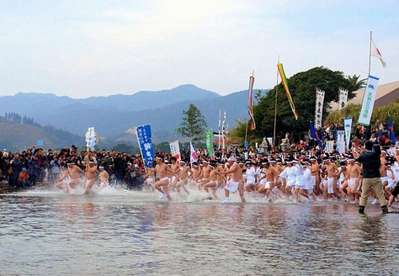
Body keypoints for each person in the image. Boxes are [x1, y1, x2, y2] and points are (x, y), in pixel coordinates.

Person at [357, 141, 388, 214]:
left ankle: (361, 209)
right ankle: (384, 209)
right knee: (380, 194)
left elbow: (358, 160)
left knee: (364, 194)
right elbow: (378, 150)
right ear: (372, 147)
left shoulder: (363, 155)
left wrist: (361, 151)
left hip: (366, 177)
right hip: (376, 177)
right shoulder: (376, 154)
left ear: (365, 146)